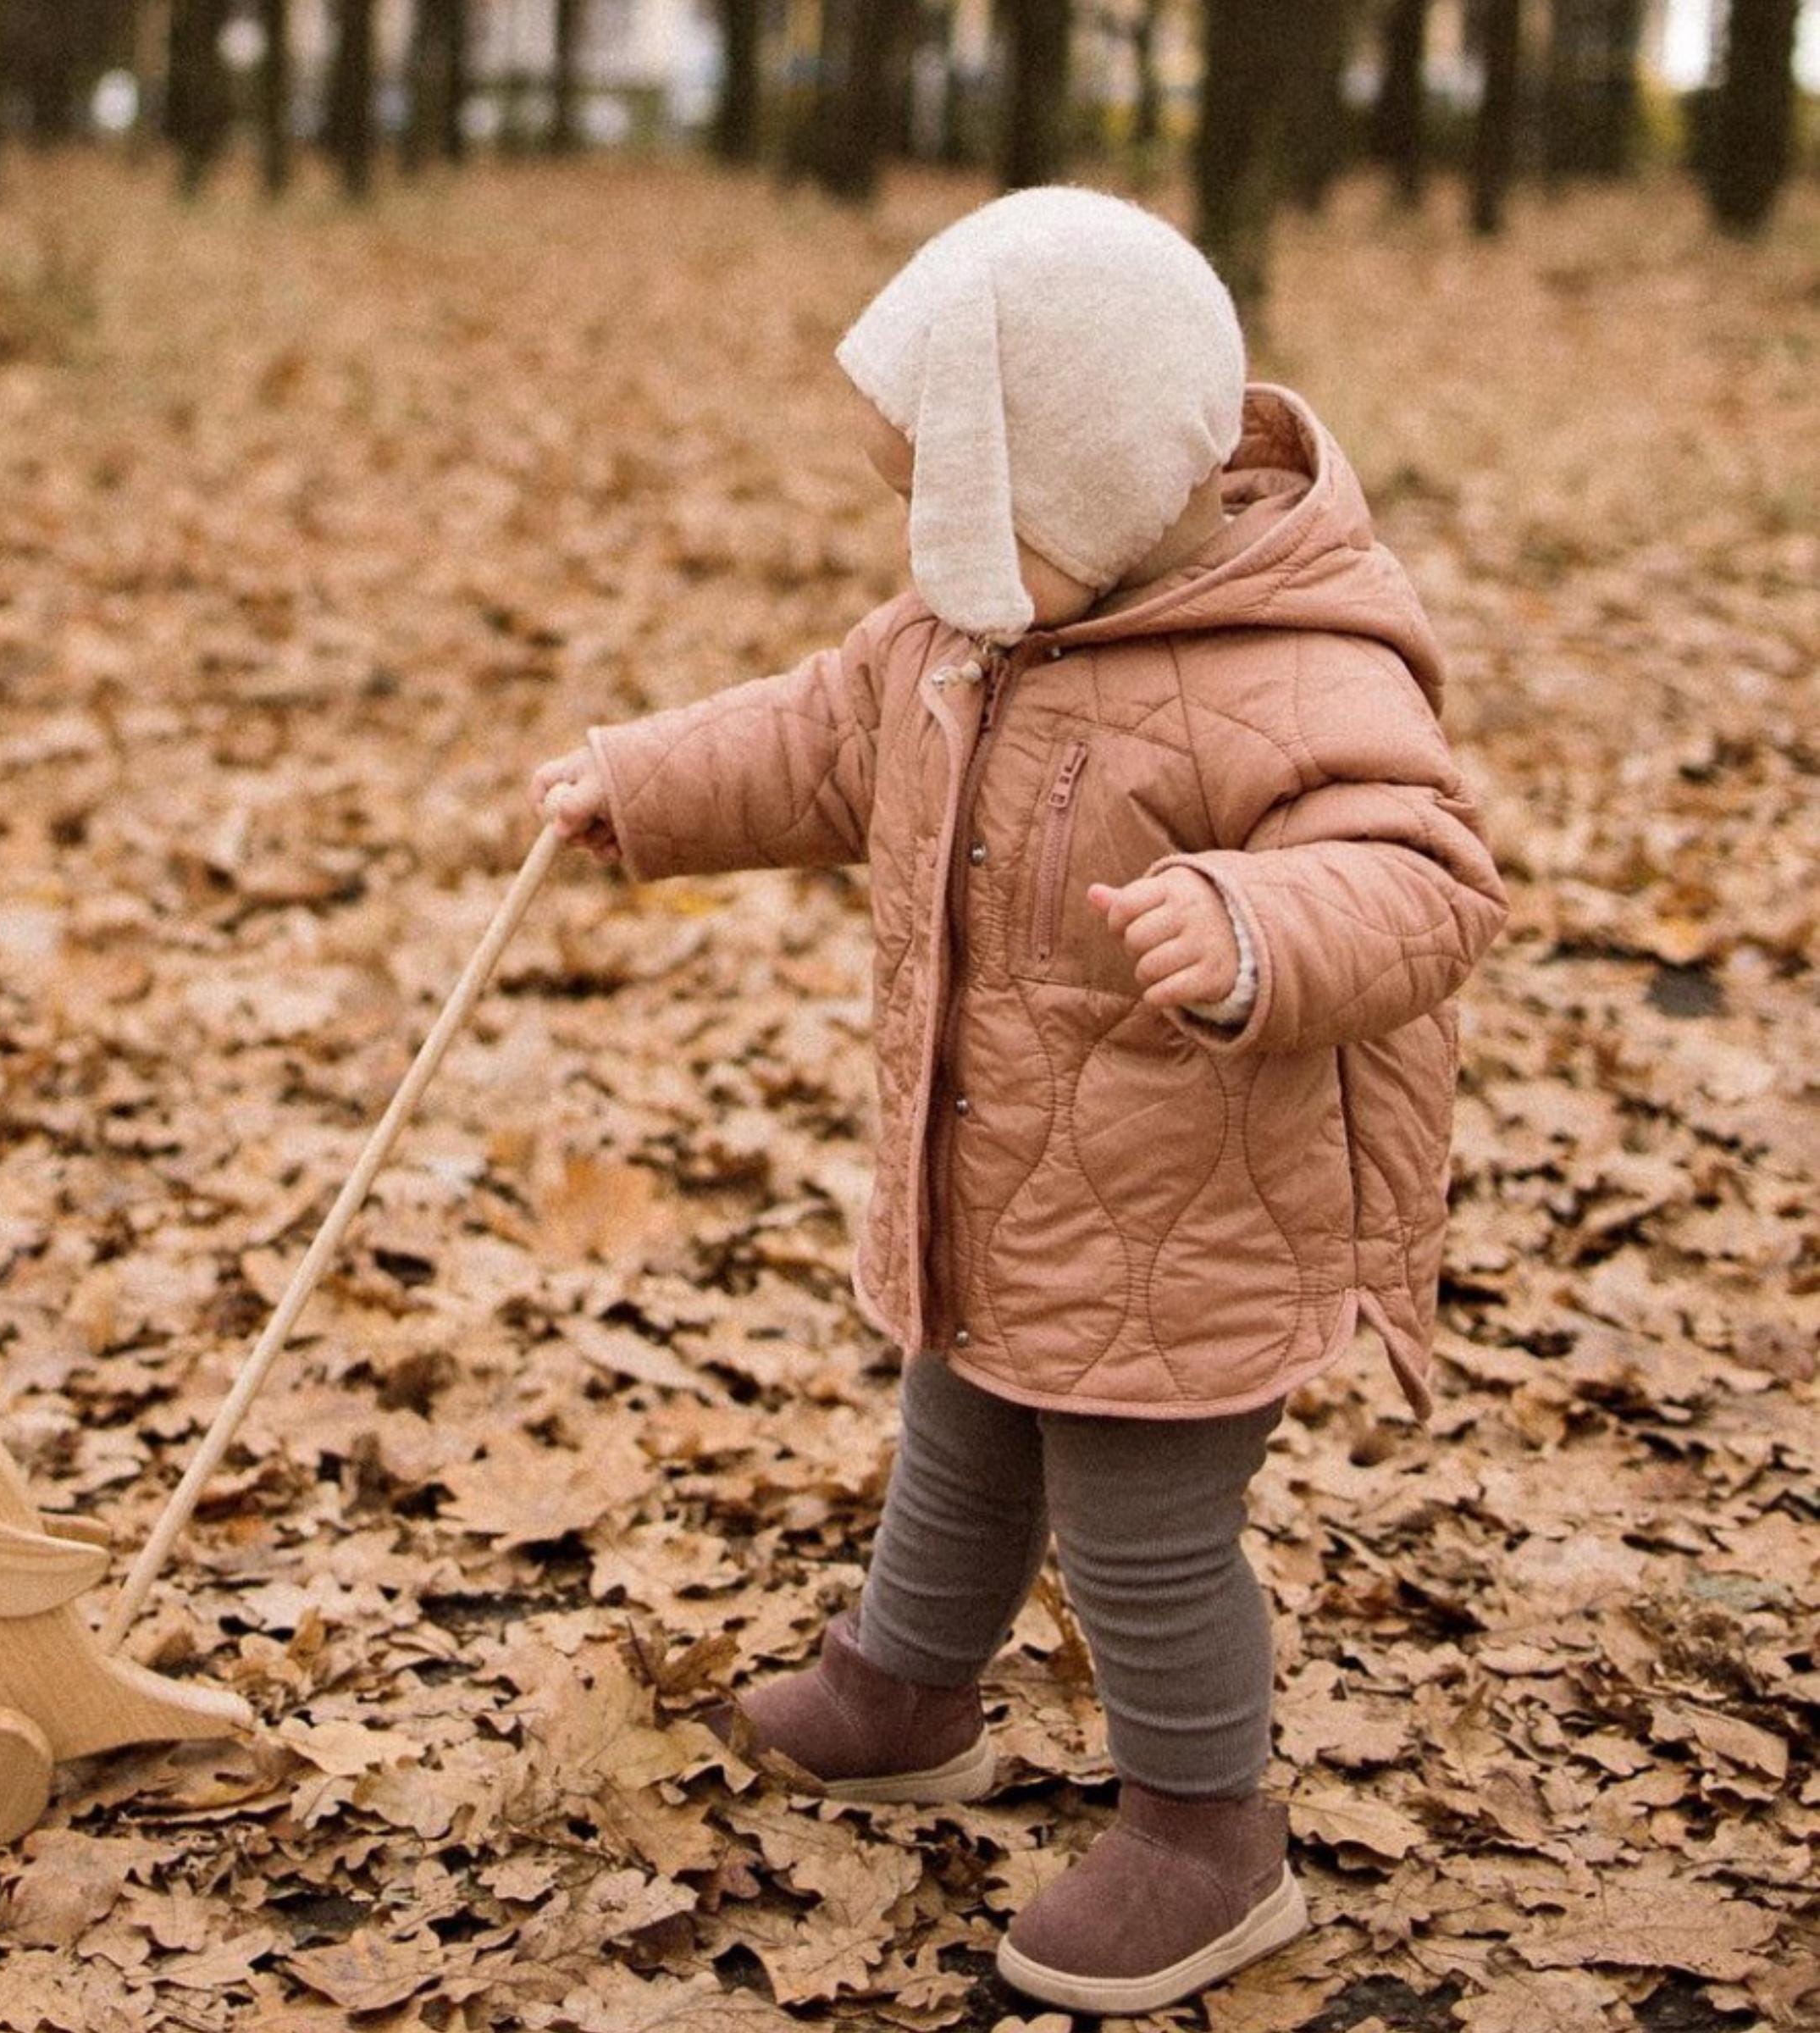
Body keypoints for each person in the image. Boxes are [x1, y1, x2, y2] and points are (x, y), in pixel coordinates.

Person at [528, 186, 1507, 2018]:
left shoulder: (1293, 663)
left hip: (1193, 1208)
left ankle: (1209, 1836)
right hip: (997, 1178)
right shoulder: (969, 632)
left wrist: (1246, 924)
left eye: (957, 491)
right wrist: (643, 781)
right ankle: (906, 1691)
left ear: (1084, 483)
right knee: (962, 1430)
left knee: (1140, 1530)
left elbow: (1423, 874)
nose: (926, 537)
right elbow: (823, 734)